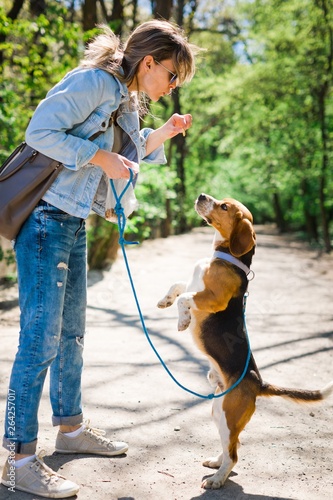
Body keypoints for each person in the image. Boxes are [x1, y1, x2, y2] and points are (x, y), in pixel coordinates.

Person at [1, 19, 198, 498]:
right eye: (172, 77)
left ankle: (70, 430)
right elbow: (40, 131)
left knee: (72, 335)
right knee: (40, 339)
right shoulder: (93, 82)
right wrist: (96, 157)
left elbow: (127, 154)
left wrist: (163, 134)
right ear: (149, 62)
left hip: (74, 221)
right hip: (47, 219)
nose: (172, 88)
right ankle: (17, 459)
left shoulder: (128, 102)